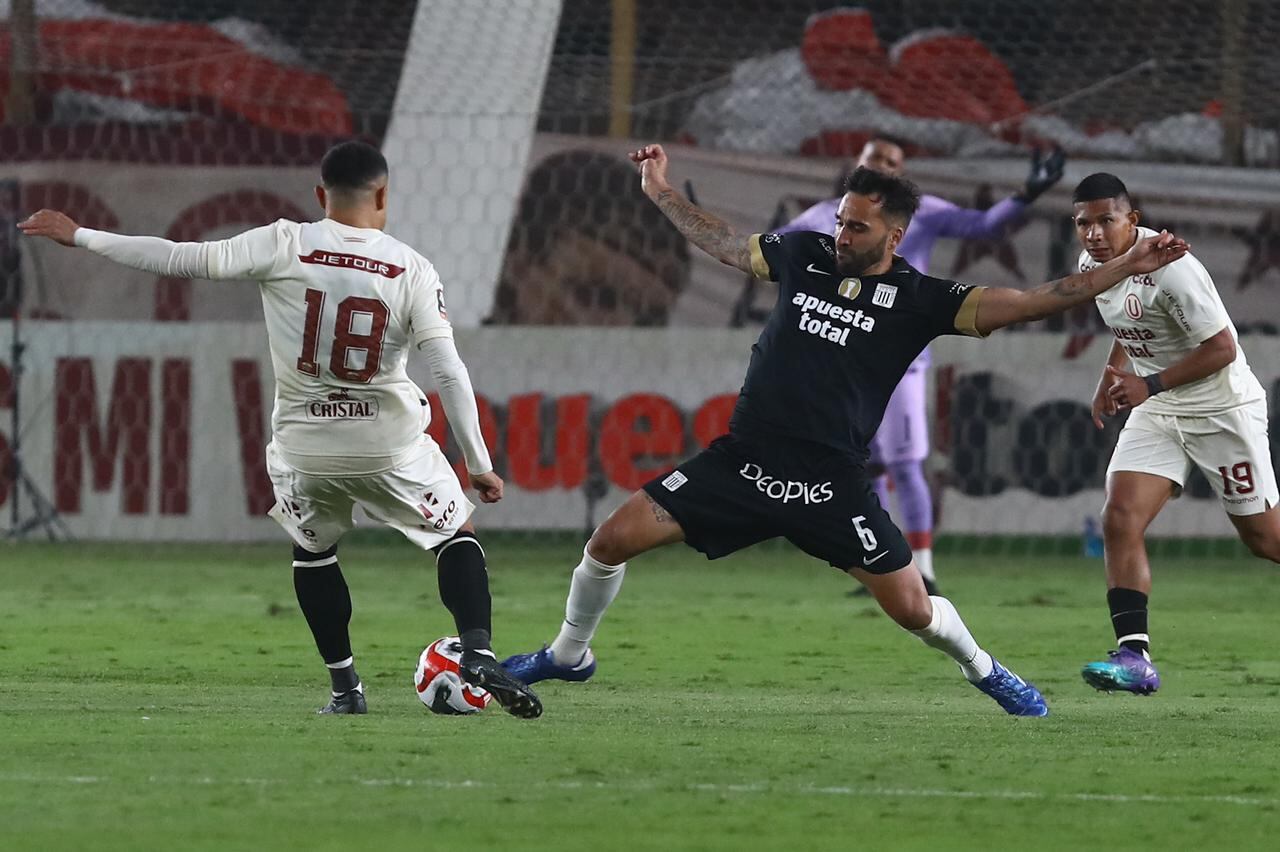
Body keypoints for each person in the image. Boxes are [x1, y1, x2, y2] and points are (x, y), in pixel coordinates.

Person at [501, 144, 1188, 717]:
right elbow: (723, 243)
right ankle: (567, 655)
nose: (841, 235)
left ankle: (985, 669)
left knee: (915, 610)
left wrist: (1125, 265)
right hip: (741, 463)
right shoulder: (801, 254)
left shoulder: (921, 300)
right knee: (608, 542)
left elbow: (1033, 301)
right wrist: (658, 190)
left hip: (829, 485)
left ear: (895, 237)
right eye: (840, 221)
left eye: (857, 228)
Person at [19, 141, 542, 719]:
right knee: (454, 534)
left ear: (320, 195)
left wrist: (81, 235)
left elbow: (178, 257)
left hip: (305, 448)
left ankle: (345, 690)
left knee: (313, 551)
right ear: (383, 196)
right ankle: (478, 651)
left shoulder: (284, 243)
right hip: (388, 444)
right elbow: (448, 370)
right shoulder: (410, 267)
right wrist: (478, 463)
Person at [778, 134, 1065, 595]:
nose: (883, 164)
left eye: (893, 161)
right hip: (843, 359)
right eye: (875, 156)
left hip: (900, 362)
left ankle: (924, 573)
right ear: (857, 162)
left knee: (906, 465)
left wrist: (1026, 194)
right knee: (860, 467)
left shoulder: (921, 212)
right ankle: (878, 565)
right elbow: (771, 245)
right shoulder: (827, 215)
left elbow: (983, 226)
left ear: (902, 172)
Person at [1072, 173, 1280, 695]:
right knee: (1119, 517)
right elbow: (1128, 327)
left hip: (1221, 411)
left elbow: (1223, 349)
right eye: (1083, 223)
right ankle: (1134, 658)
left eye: (1105, 221)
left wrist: (1148, 384)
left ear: (1132, 220)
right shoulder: (1093, 266)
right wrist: (1110, 375)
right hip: (1160, 408)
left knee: (1265, 540)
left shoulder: (1173, 268)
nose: (1093, 233)